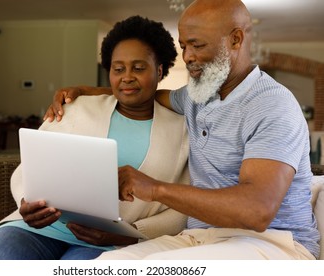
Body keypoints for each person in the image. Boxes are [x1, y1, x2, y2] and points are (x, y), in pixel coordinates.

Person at [44, 0, 320, 260]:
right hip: (201, 237)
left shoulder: (272, 105)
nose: (187, 57)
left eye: (197, 45)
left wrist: (154, 189)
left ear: (235, 39)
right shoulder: (197, 96)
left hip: (274, 243)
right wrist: (82, 91)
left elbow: (256, 211)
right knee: (109, 265)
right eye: (184, 46)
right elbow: (143, 93)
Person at [0, 15, 190, 260]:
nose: (127, 76)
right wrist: (26, 200)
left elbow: (184, 206)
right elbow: (30, 166)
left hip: (108, 242)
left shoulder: (181, 130)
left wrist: (132, 233)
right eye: (118, 69)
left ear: (159, 71)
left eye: (139, 68)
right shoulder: (76, 107)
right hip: (39, 229)